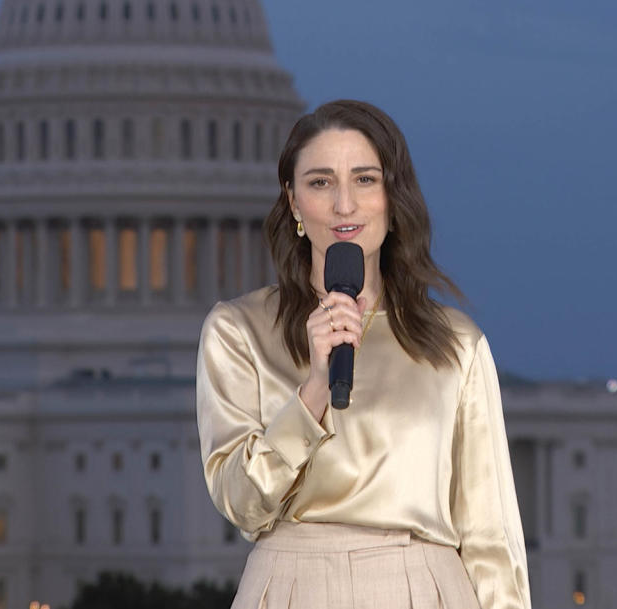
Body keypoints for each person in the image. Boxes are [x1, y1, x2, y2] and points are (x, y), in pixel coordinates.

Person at [196, 100, 530, 609]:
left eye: (365, 180)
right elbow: (242, 505)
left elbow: (491, 536)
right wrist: (311, 393)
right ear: (292, 201)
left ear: (393, 199)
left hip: (425, 588)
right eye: (321, 182)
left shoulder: (456, 344)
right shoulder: (238, 331)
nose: (344, 206)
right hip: (290, 586)